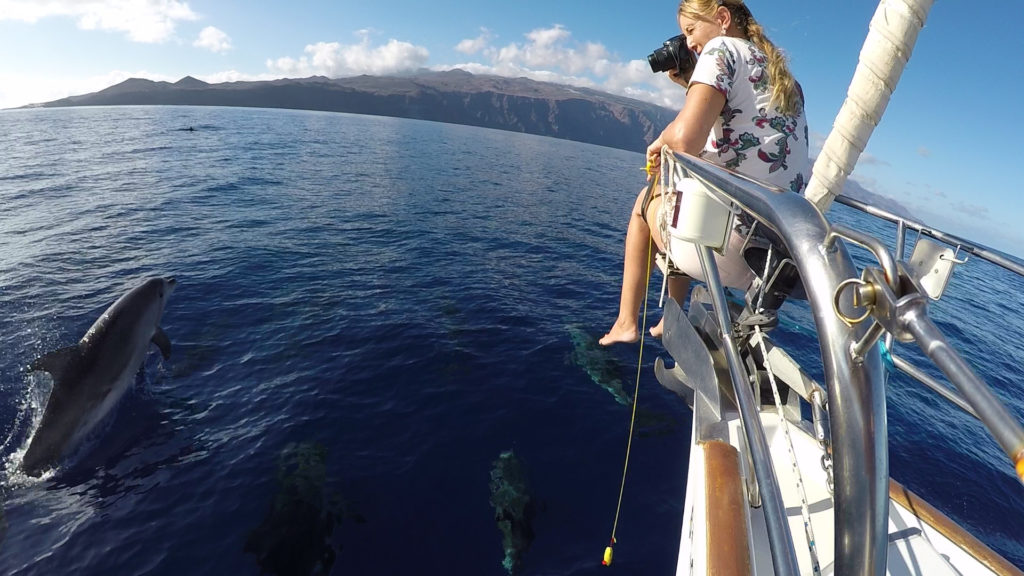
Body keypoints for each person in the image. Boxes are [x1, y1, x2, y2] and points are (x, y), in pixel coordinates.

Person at [600, 0, 810, 346]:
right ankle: (671, 315)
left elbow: (684, 140)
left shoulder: (720, 49)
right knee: (684, 197)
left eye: (691, 31)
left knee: (646, 203)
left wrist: (660, 141)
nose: (690, 45)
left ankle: (625, 322)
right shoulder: (787, 80)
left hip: (724, 246)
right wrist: (690, 84)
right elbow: (742, 127)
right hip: (772, 256)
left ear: (722, 19)